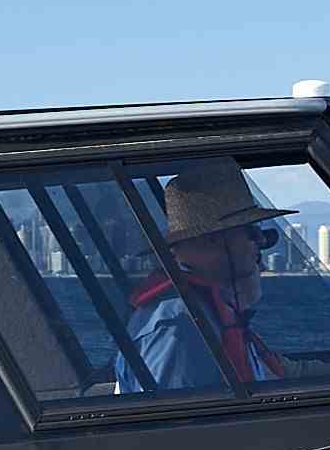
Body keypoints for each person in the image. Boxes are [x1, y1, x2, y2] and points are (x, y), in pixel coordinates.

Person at [121, 159, 299, 396]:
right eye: (251, 232)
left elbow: (278, 374)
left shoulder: (209, 312)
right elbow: (177, 426)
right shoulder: (180, 328)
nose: (261, 242)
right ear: (214, 239)